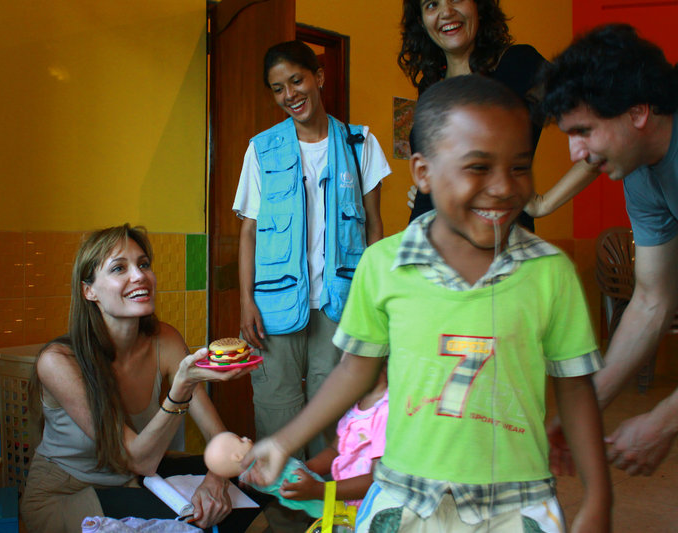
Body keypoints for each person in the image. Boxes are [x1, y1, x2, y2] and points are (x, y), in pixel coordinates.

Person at [242, 75, 611, 532]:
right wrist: (284, 441)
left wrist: (597, 496)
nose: (502, 187)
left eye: (519, 167)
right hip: (405, 499)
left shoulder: (550, 271)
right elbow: (354, 370)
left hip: (516, 504)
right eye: (478, 167)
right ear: (423, 173)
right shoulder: (382, 265)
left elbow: (575, 388)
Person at [20, 224, 259, 532]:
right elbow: (138, 459)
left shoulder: (166, 340)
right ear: (88, 290)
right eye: (119, 268)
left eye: (143, 264)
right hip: (69, 493)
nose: (139, 276)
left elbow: (218, 436)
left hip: (137, 480)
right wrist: (181, 387)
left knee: (254, 479)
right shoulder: (59, 362)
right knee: (196, 524)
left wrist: (216, 480)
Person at [233, 40, 391, 458]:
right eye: (278, 88)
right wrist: (246, 300)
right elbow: (248, 231)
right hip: (273, 308)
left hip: (342, 304)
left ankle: (331, 520)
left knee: (335, 419)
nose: (290, 95)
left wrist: (378, 302)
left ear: (318, 77)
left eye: (297, 80)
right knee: (275, 415)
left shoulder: (361, 144)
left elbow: (375, 227)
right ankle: (286, 522)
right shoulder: (260, 149)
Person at [538, 23, 678, 477]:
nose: (577, 153)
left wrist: (665, 419)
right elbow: (652, 299)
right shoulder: (640, 173)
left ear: (638, 111)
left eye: (584, 131)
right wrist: (584, 412)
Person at [398, 0, 599, 229]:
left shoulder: (518, 65)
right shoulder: (430, 88)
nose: (446, 12)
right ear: (422, 22)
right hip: (426, 241)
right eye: (432, 4)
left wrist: (545, 204)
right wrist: (430, 189)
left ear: (478, 6)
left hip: (500, 243)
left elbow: (601, 126)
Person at [281, 362, 388, 509]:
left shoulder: (386, 412)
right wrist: (305, 470)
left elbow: (377, 480)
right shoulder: (357, 401)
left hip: (370, 510)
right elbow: (336, 450)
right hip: (346, 503)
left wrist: (319, 490)